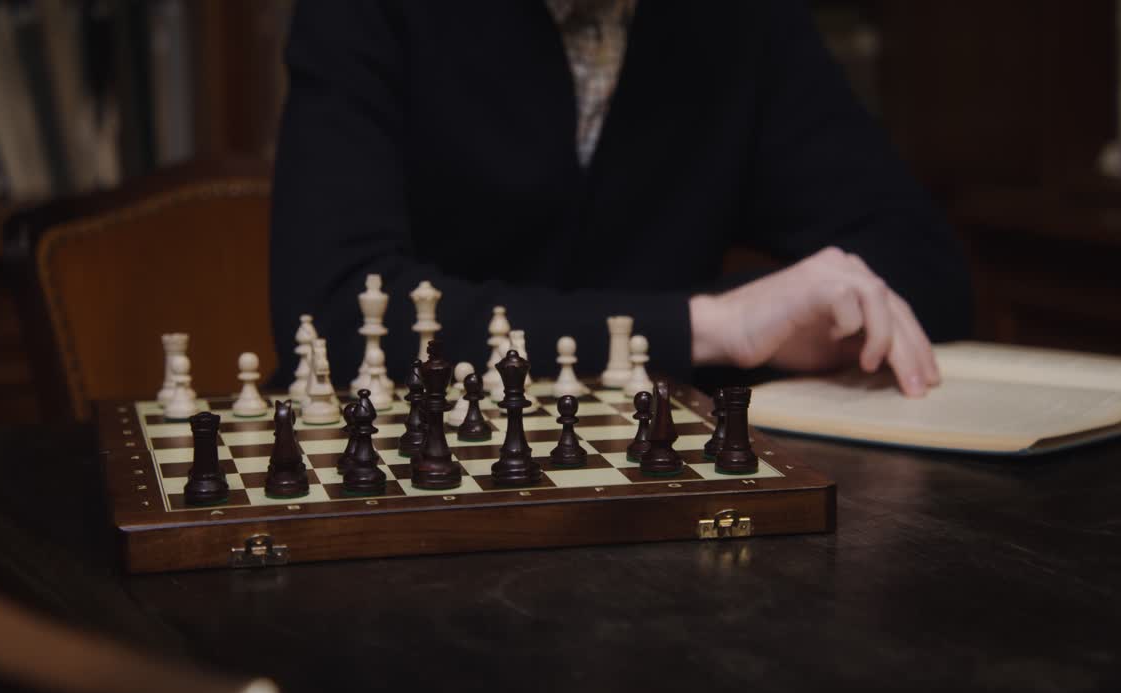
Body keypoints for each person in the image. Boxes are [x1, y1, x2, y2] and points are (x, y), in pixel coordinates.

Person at [268, 0, 974, 397]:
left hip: (657, 495)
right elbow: (330, 315)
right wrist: (712, 325)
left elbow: (922, 272)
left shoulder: (742, 22)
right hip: (406, 481)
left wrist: (780, 316)